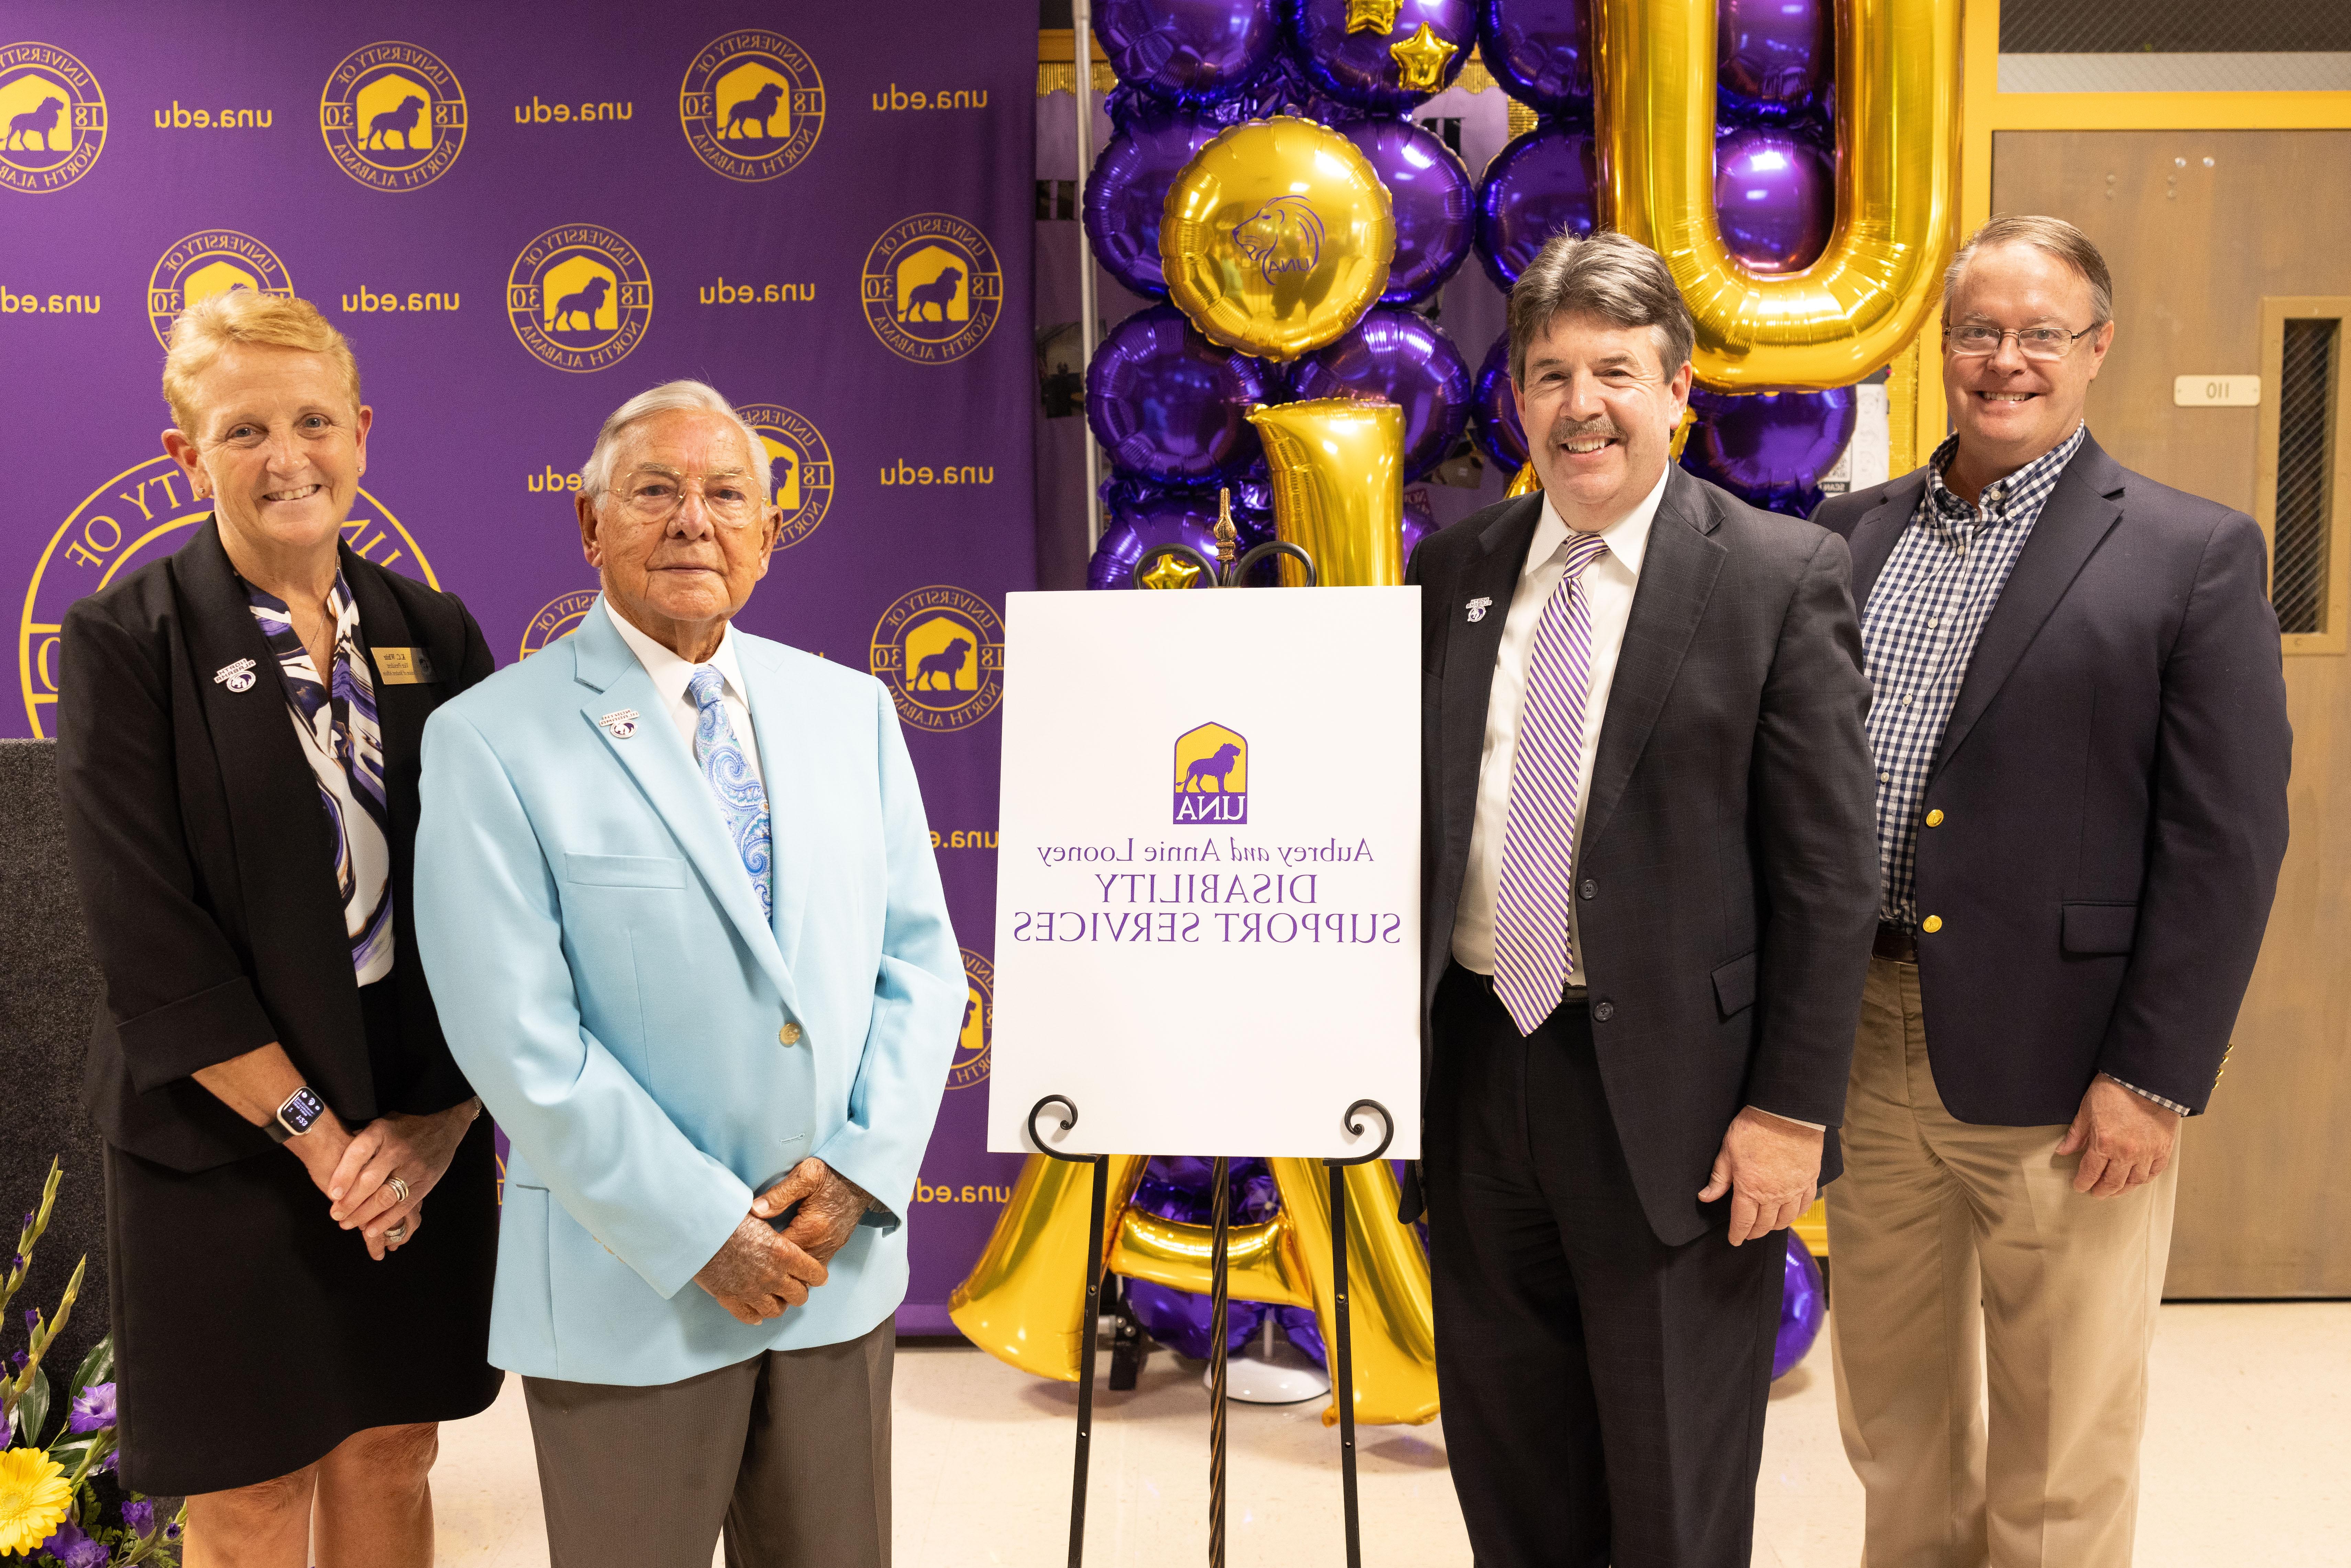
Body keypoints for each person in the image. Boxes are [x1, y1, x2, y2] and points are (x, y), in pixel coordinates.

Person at [413, 380, 962, 1568]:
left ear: (768, 534)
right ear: (588, 525)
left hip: (836, 1268)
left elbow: (922, 965)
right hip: (634, 1286)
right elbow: (519, 1038)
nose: (691, 520)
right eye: (653, 490)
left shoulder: (852, 712)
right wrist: (705, 1227)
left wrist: (859, 1171)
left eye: (726, 494)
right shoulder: (489, 739)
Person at [1813, 215, 2291, 1568]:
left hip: (2077, 1075)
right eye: (1978, 332)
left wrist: (2156, 1072)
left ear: (2096, 349)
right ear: (1941, 347)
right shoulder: (1846, 541)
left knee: (2060, 1449)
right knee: (1894, 1435)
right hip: (1865, 1040)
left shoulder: (2190, 555)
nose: (2004, 362)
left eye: (2039, 334)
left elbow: (2228, 840)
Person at [1405, 230, 1881, 1566]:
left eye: (1616, 369)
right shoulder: (1457, 573)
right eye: (1548, 373)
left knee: (1672, 1491)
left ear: (1679, 390)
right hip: (1484, 1080)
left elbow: (1830, 876)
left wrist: (1790, 1111)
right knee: (1511, 1467)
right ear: (1518, 401)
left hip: (1681, 1104)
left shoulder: (1780, 578)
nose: (1581, 404)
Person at [55, 290, 500, 1562]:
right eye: (243, 430)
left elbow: (493, 900)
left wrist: (441, 1120)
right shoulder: (124, 641)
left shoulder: (436, 630)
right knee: (250, 1496)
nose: (287, 455)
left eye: (313, 420)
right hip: (229, 1139)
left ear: (361, 433)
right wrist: (321, 1141)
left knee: (394, 1455)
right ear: (184, 457)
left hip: (417, 1128)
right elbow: (152, 942)